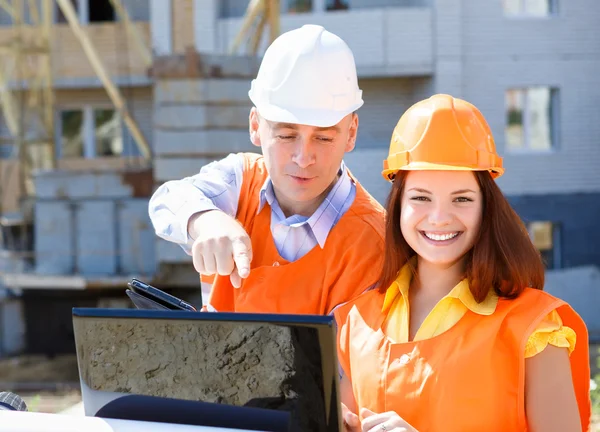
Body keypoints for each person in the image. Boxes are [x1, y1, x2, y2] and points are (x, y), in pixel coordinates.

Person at [334, 94, 591, 432]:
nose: (439, 218)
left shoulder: (534, 330)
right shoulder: (357, 323)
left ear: (487, 208)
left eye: (462, 199)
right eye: (421, 198)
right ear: (397, 206)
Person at [149, 25, 385, 314]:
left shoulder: (374, 243)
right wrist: (207, 221)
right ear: (255, 126)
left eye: (323, 137)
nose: (303, 157)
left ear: (351, 133)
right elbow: (167, 200)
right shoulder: (240, 180)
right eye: (286, 136)